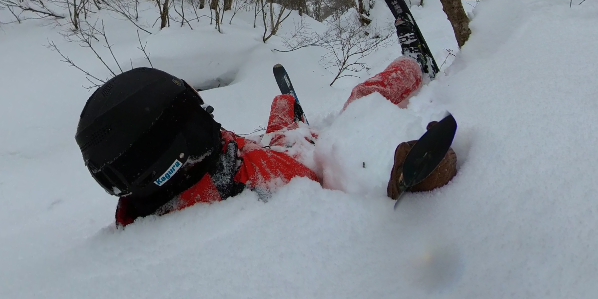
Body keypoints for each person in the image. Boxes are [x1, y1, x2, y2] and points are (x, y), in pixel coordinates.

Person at [75, 57, 457, 226]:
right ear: (177, 154)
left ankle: (291, 113)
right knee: (363, 97)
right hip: (303, 157)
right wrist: (402, 177)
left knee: (281, 105)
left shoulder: (150, 195)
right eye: (196, 116)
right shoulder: (251, 196)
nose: (209, 117)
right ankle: (413, 66)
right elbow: (343, 210)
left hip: (265, 147)